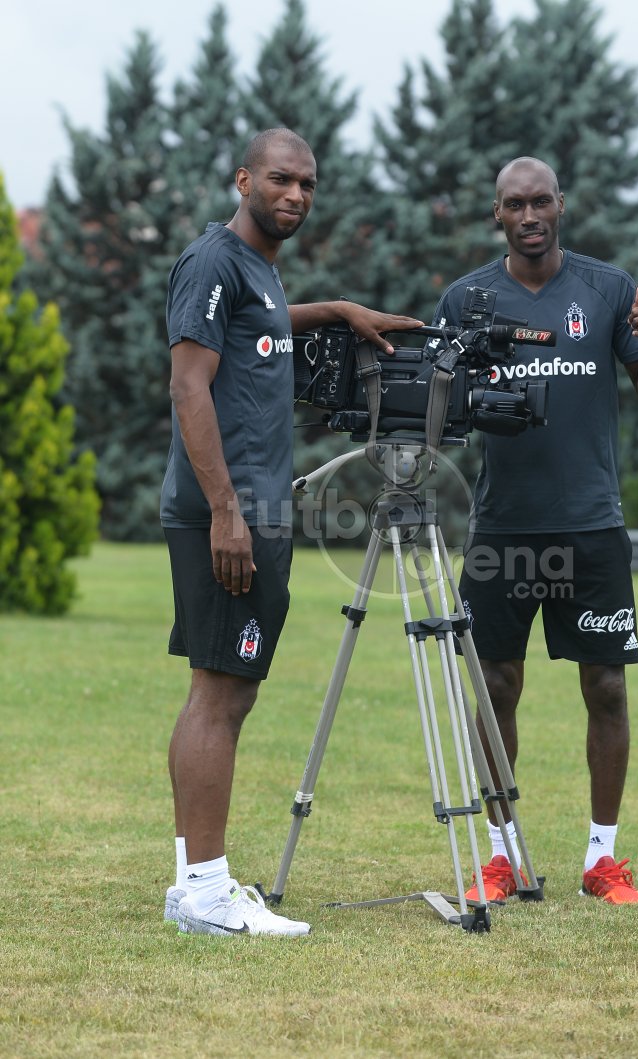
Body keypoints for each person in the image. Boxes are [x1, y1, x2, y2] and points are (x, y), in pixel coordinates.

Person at [160, 128, 422, 937]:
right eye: (280, 180)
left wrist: (337, 311)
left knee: (230, 691)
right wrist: (229, 513)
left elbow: (265, 320)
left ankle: (193, 883)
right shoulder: (212, 261)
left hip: (262, 510)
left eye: (308, 184)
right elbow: (188, 385)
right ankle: (205, 891)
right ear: (243, 178)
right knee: (218, 690)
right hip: (229, 513)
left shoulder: (257, 273)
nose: (296, 196)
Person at [429, 156, 638, 905]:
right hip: (503, 528)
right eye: (514, 204)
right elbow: (441, 410)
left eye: (541, 201)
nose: (529, 215)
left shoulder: (607, 290)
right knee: (496, 683)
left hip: (592, 526)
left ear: (561, 206)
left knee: (604, 685)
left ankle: (603, 861)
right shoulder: (465, 297)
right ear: (496, 215)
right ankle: (502, 856)